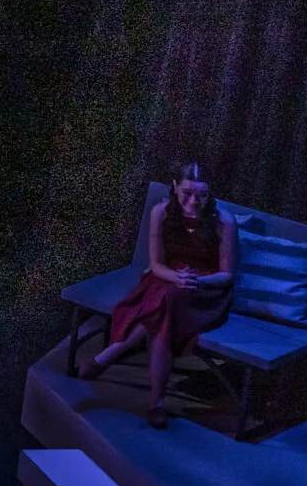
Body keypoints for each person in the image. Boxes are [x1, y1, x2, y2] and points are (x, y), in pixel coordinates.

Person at [81, 162, 236, 428]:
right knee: (168, 301)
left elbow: (227, 275)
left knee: (169, 301)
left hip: (206, 289)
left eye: (202, 195)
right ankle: (156, 402)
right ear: (174, 187)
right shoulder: (160, 212)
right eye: (187, 192)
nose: (193, 201)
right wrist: (177, 278)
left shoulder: (224, 220)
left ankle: (112, 353)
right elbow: (156, 265)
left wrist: (196, 281)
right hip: (166, 277)